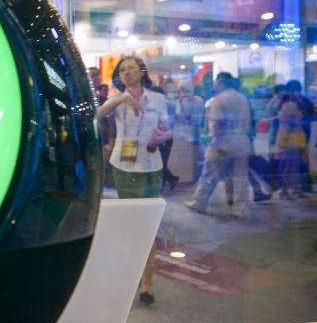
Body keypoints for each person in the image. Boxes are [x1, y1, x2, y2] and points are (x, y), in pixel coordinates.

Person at [96, 56, 170, 305]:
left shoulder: (157, 98)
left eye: (131, 68)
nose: (126, 73)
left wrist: (161, 136)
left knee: (148, 225)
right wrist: (122, 99)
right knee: (131, 224)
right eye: (122, 70)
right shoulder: (116, 98)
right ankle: (130, 275)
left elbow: (168, 126)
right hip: (125, 167)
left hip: (151, 165)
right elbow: (97, 115)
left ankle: (147, 283)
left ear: (141, 71)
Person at [185, 72, 253, 217]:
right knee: (240, 178)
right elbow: (248, 122)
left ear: (221, 81)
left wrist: (217, 143)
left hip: (223, 141)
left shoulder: (218, 100)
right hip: (242, 141)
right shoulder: (242, 98)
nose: (214, 84)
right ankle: (240, 209)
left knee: (209, 174)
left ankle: (199, 203)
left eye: (216, 81)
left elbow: (217, 123)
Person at [274, 101, 307, 199]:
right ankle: (293, 189)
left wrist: (278, 146)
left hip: (287, 149)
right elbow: (300, 133)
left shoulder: (285, 120)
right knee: (293, 171)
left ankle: (286, 190)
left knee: (286, 171)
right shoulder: (295, 120)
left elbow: (282, 134)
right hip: (294, 148)